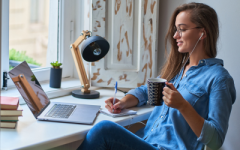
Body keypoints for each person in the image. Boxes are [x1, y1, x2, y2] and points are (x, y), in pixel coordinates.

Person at [78, 2, 236, 150]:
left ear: (202, 33)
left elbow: (215, 140)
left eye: (182, 29)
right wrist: (123, 102)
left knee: (104, 130)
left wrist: (183, 106)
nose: (175, 36)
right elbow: (146, 90)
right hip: (146, 140)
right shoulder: (178, 69)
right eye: (175, 29)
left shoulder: (219, 79)